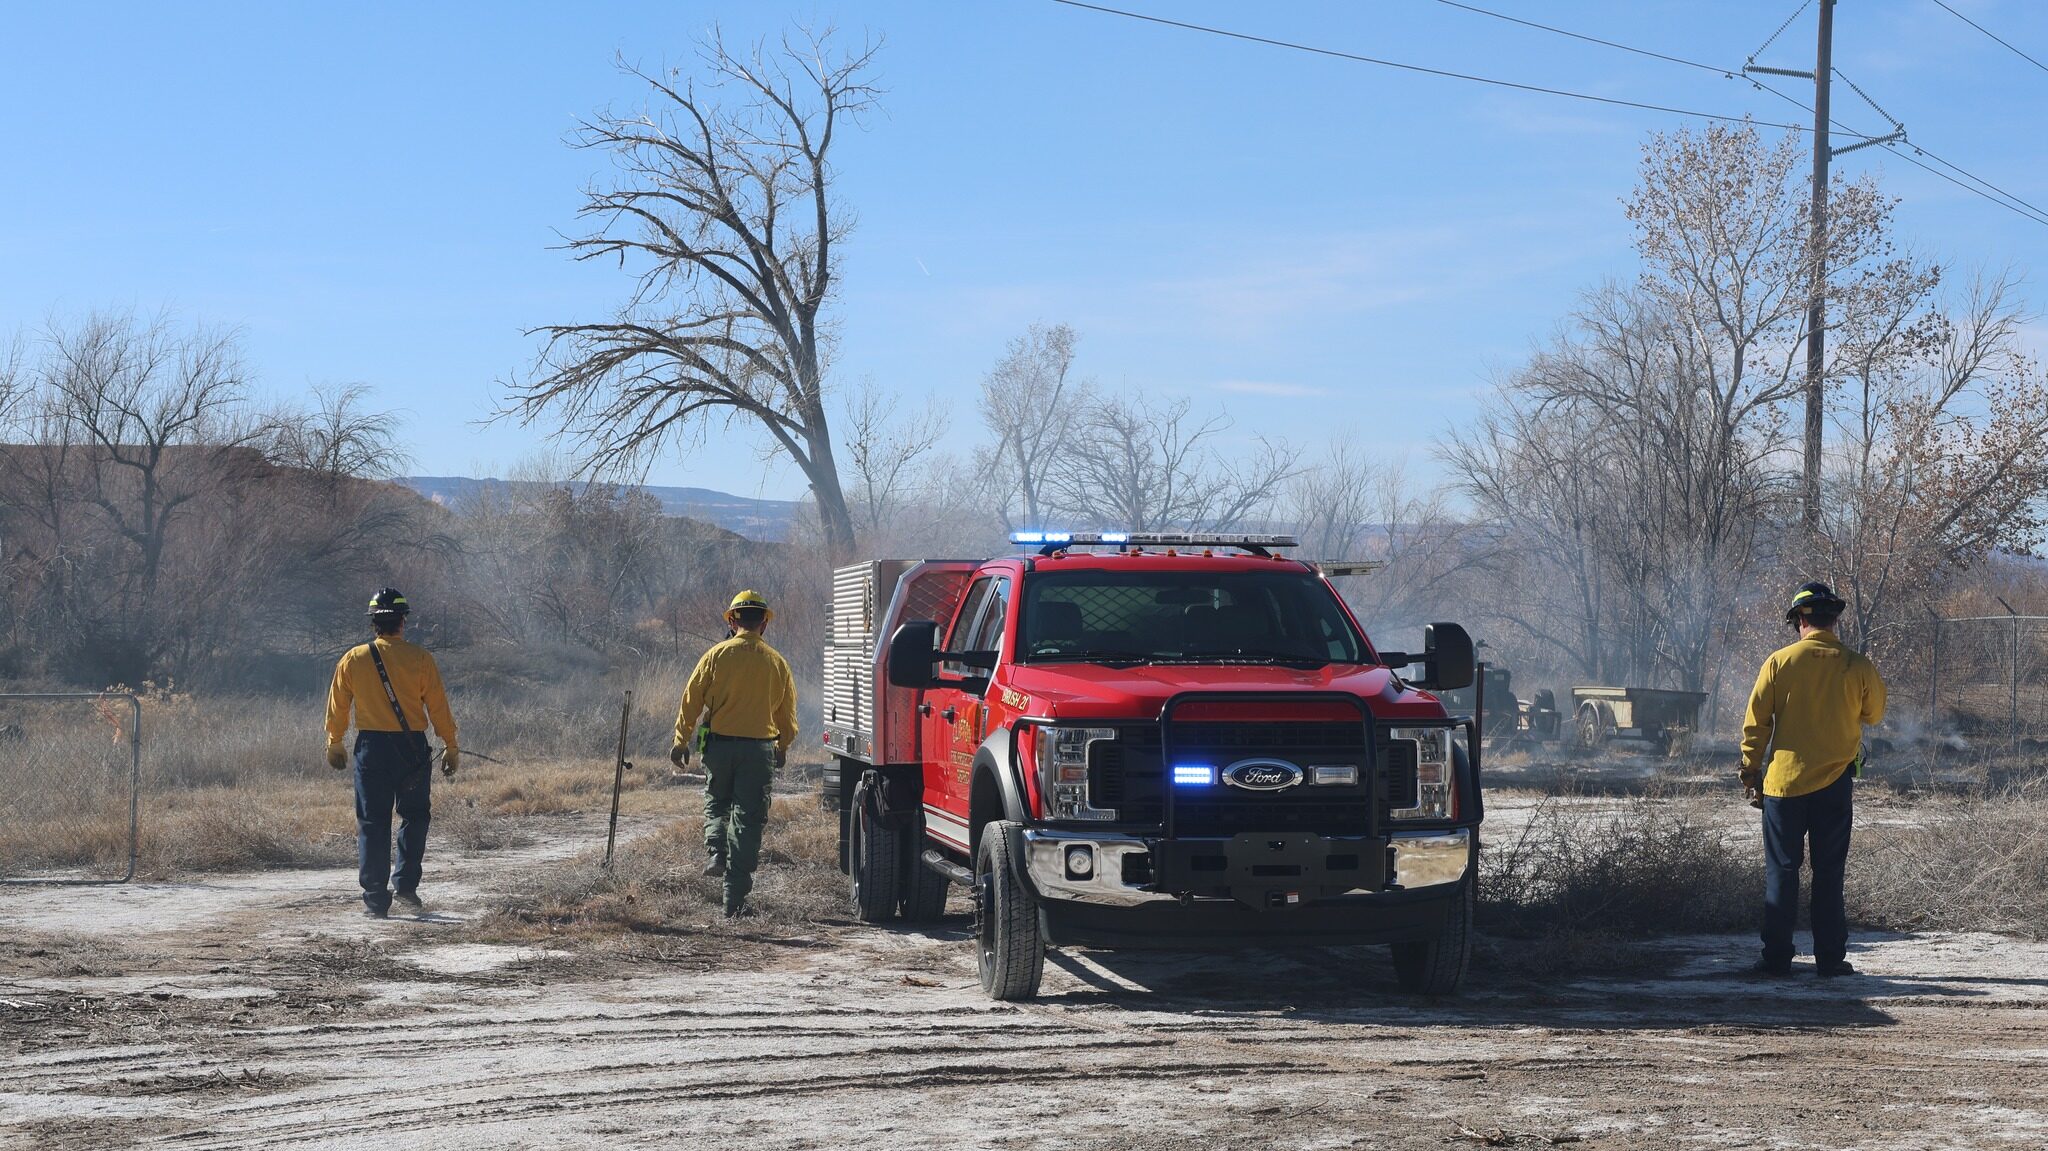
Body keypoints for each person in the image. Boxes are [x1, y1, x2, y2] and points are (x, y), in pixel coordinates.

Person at [1739, 581, 1886, 977]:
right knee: (1829, 872)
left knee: (1783, 873)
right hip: (1835, 784)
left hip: (1783, 788)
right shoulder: (1857, 666)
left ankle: (1775, 959)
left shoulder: (1778, 663)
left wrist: (1750, 772)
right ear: (1834, 619)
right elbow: (1874, 714)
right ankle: (1831, 960)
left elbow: (1757, 724)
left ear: (1799, 620)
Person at [325, 588, 459, 919]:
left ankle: (374, 899)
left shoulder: (353, 659)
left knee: (373, 821)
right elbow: (438, 706)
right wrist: (450, 744)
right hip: (411, 748)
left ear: (374, 624)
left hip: (371, 749)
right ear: (403, 622)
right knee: (414, 816)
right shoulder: (420, 659)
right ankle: (406, 889)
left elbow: (339, 704)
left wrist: (335, 740)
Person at [671, 590, 798, 918]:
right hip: (759, 751)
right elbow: (787, 715)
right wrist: (782, 747)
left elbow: (691, 700)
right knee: (747, 818)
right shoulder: (777, 662)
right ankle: (734, 901)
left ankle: (716, 850)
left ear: (732, 620)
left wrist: (681, 741)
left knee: (716, 800)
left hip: (718, 746)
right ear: (764, 624)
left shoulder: (715, 656)